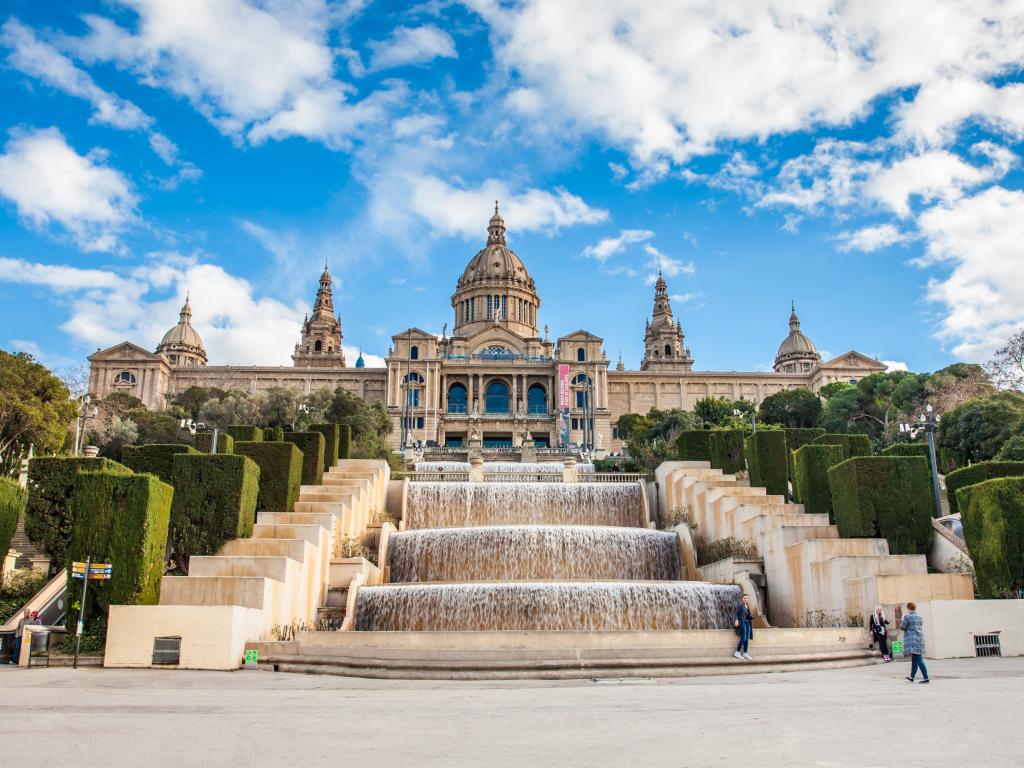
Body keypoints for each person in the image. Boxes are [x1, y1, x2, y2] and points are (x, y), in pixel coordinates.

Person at [899, 602, 930, 683]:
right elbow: (920, 624)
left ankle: (926, 678)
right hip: (919, 639)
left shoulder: (907, 616)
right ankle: (912, 677)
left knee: (919, 659)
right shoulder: (920, 616)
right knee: (914, 659)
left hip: (912, 640)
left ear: (908, 608)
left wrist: (903, 619)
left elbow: (902, 627)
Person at [733, 593, 753, 660]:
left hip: (748, 623)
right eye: (744, 598)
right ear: (742, 599)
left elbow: (747, 615)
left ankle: (745, 653)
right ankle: (737, 652)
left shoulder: (747, 606)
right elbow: (735, 614)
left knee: (747, 639)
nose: (745, 599)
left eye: (747, 598)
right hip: (743, 623)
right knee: (743, 638)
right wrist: (736, 620)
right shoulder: (740, 605)